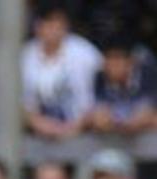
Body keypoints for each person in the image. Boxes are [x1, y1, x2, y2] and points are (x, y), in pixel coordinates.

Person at [22, 2, 100, 132]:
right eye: (48, 23)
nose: (54, 28)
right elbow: (17, 104)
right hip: (36, 135)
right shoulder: (24, 57)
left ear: (66, 25)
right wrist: (39, 123)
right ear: (37, 26)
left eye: (58, 23)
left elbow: (105, 91)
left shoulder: (86, 53)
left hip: (84, 131)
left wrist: (78, 124)